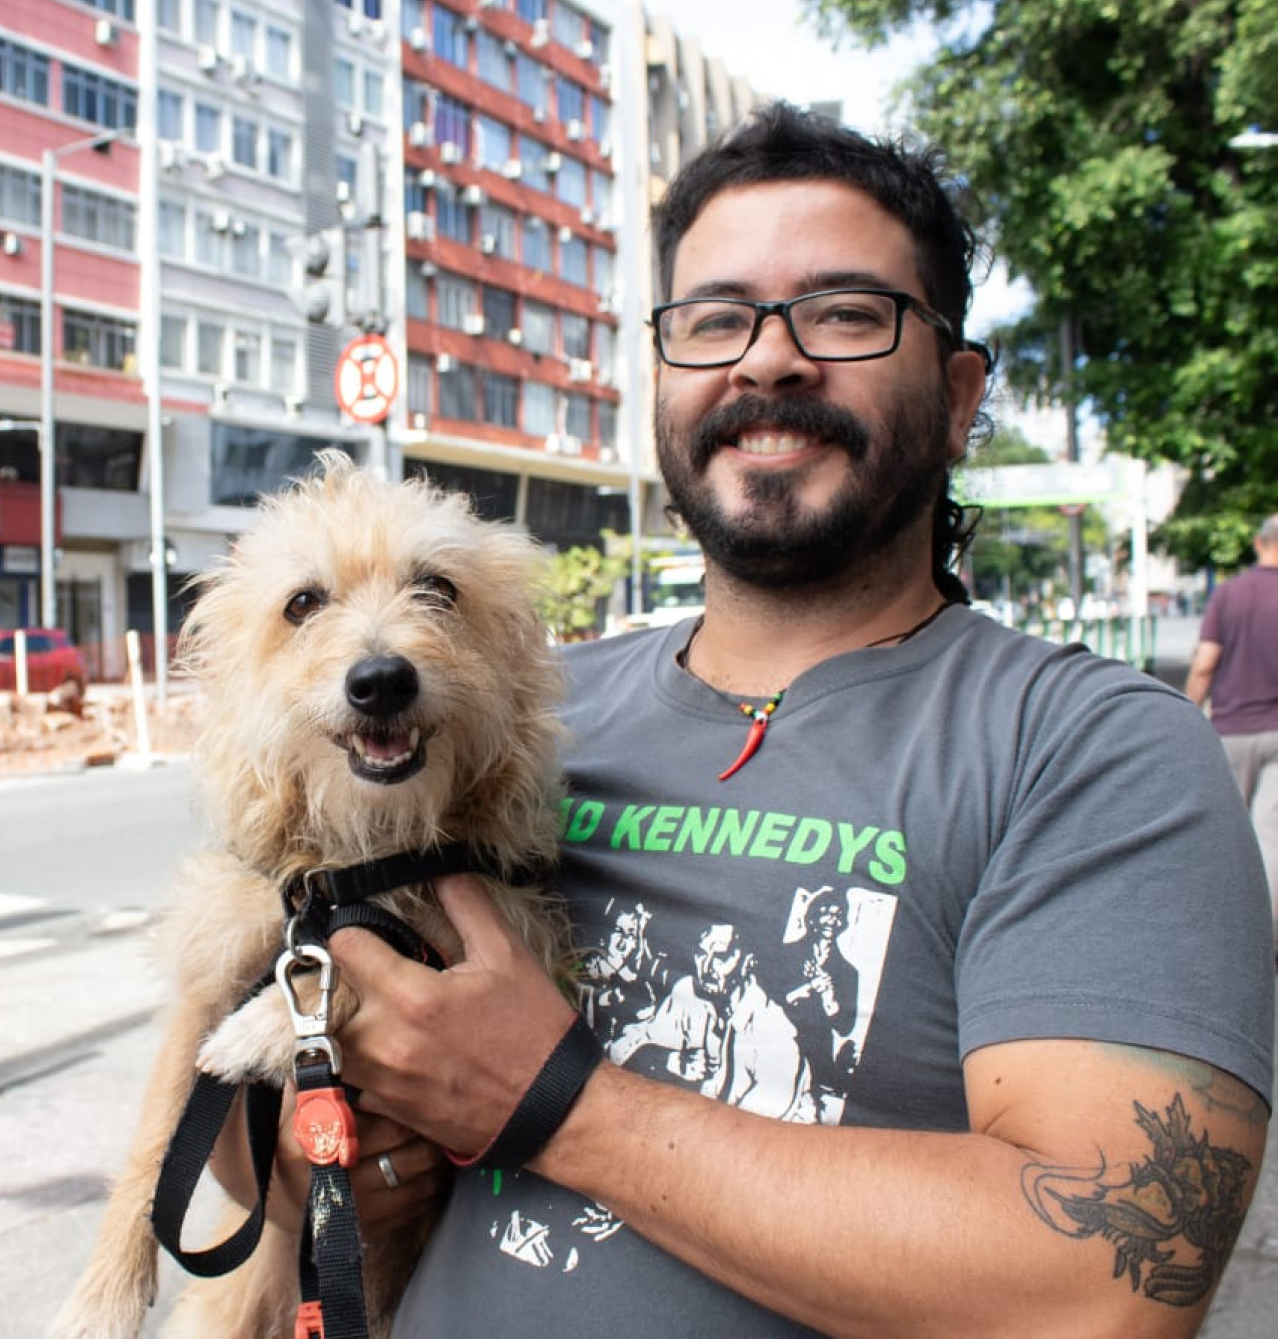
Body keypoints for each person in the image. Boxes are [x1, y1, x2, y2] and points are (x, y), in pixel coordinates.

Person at [298, 104, 1272, 1337]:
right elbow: (283, 1182)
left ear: (959, 395)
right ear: (663, 381)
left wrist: (562, 1107)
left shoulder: (1095, 750)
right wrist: (320, 1148)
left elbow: (1103, 1292)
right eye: (715, 321)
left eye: (846, 314)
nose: (767, 362)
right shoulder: (509, 720)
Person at [1186, 513, 1278, 944]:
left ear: (1259, 544)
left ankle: (1227, 934)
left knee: (1226, 838)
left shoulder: (1229, 595)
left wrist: (1188, 713)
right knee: (1271, 835)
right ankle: (1268, 938)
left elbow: (1205, 662)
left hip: (1232, 730)